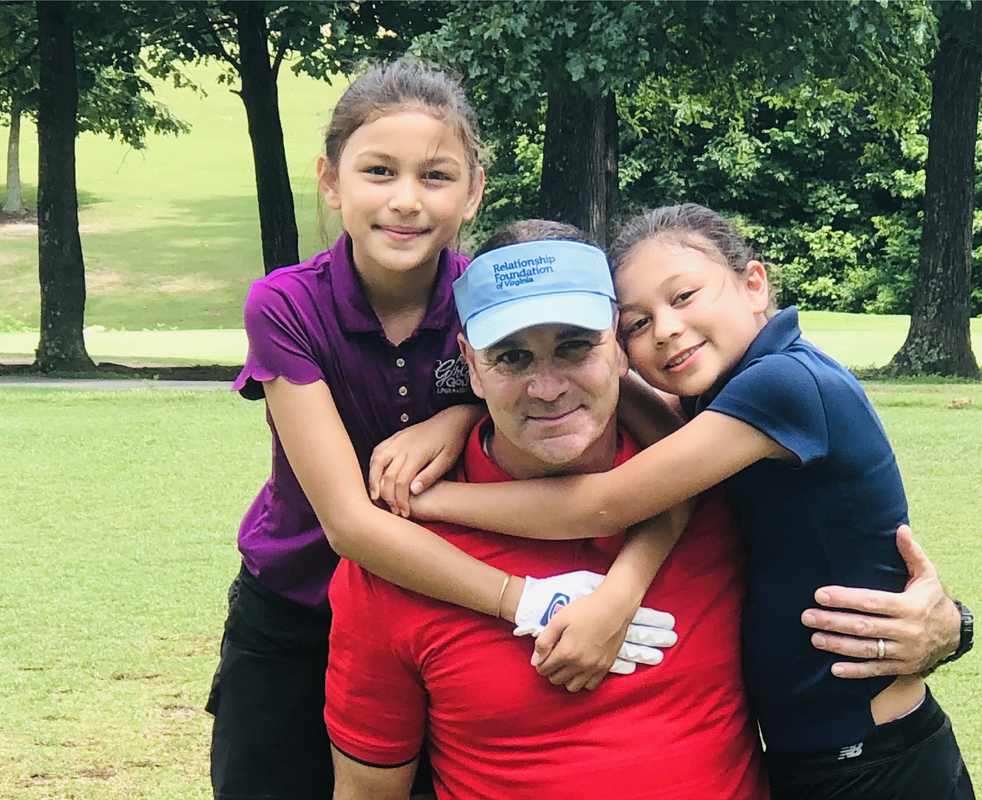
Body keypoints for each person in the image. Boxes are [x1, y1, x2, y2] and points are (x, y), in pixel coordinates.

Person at [206, 61, 683, 800]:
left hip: (436, 601)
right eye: (378, 171)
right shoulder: (286, 305)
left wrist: (455, 414)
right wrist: (524, 601)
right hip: (300, 606)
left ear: (473, 192)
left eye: (435, 176)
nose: (406, 200)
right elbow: (349, 524)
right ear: (331, 182)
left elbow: (670, 449)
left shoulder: (494, 301)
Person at [407, 204, 976, 799]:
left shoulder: (782, 385)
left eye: (684, 296)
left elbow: (602, 505)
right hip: (815, 753)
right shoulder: (723, 393)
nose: (666, 329)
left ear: (754, 285)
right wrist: (463, 412)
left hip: (873, 759)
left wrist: (430, 501)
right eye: (638, 322)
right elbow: (583, 386)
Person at [325, 221, 768, 800]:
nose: (548, 387)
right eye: (513, 357)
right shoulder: (397, 559)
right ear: (472, 367)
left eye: (574, 346)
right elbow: (367, 791)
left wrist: (899, 626)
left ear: (619, 343)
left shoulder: (718, 478)